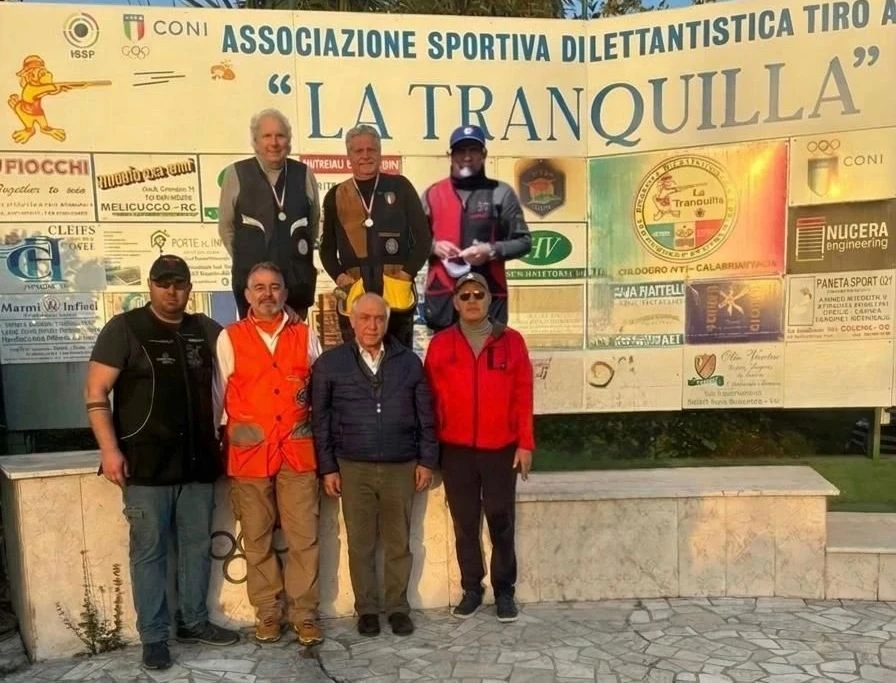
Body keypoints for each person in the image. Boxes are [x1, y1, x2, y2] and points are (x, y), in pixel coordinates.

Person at [84, 254, 239, 671]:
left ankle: (193, 621)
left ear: (190, 288)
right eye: (163, 282)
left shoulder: (205, 330)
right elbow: (96, 393)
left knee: (196, 547)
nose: (172, 291)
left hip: (198, 463)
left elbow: (236, 381)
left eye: (180, 283)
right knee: (149, 552)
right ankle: (154, 637)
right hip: (145, 464)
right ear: (150, 285)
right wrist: (109, 450)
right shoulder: (125, 329)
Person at [311, 293, 438, 636]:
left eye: (379, 318)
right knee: (361, 543)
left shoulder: (408, 362)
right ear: (352, 322)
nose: (372, 325)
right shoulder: (330, 363)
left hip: (401, 464)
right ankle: (366, 608)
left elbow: (426, 414)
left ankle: (397, 607)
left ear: (387, 321)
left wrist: (427, 460)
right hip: (353, 466)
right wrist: (328, 467)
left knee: (399, 542)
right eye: (364, 318)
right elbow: (319, 420)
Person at [215, 262, 324, 647]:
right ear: (246, 295)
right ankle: (267, 613)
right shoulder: (229, 338)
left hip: (297, 453)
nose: (267, 294)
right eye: (258, 287)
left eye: (274, 287)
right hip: (249, 457)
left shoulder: (306, 336)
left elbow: (319, 396)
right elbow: (218, 399)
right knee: (257, 539)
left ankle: (304, 614)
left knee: (303, 538)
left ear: (284, 293)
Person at [423, 272, 534, 623]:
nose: (472, 300)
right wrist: (431, 450)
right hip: (456, 450)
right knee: (465, 523)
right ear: (455, 302)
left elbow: (523, 395)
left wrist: (525, 444)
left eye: (478, 294)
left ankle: (504, 591)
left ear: (489, 301)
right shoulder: (441, 344)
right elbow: (428, 401)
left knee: (501, 521)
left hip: (500, 448)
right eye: (465, 295)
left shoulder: (511, 342)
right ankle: (472, 587)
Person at [319, 125, 431, 348]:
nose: (365, 156)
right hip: (356, 289)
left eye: (371, 149)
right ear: (349, 156)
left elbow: (424, 238)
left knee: (398, 358)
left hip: (395, 288)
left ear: (380, 153)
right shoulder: (336, 195)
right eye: (358, 151)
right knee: (357, 360)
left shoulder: (400, 187)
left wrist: (406, 274)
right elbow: (326, 249)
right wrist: (340, 278)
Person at [422, 124, 532, 331]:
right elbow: (411, 242)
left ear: (484, 154)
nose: (467, 157)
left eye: (473, 150)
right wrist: (433, 247)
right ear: (450, 155)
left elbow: (524, 242)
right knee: (445, 360)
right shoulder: (432, 194)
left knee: (489, 359)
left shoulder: (501, 192)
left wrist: (490, 250)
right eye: (461, 151)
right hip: (443, 297)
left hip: (489, 295)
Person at [218, 108, 320, 319]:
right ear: (256, 141)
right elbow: (226, 228)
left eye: (280, 136)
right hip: (254, 290)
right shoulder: (236, 174)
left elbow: (313, 225)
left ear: (288, 141)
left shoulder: (304, 174)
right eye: (267, 136)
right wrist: (246, 259)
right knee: (256, 348)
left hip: (296, 285)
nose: (274, 143)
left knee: (294, 347)